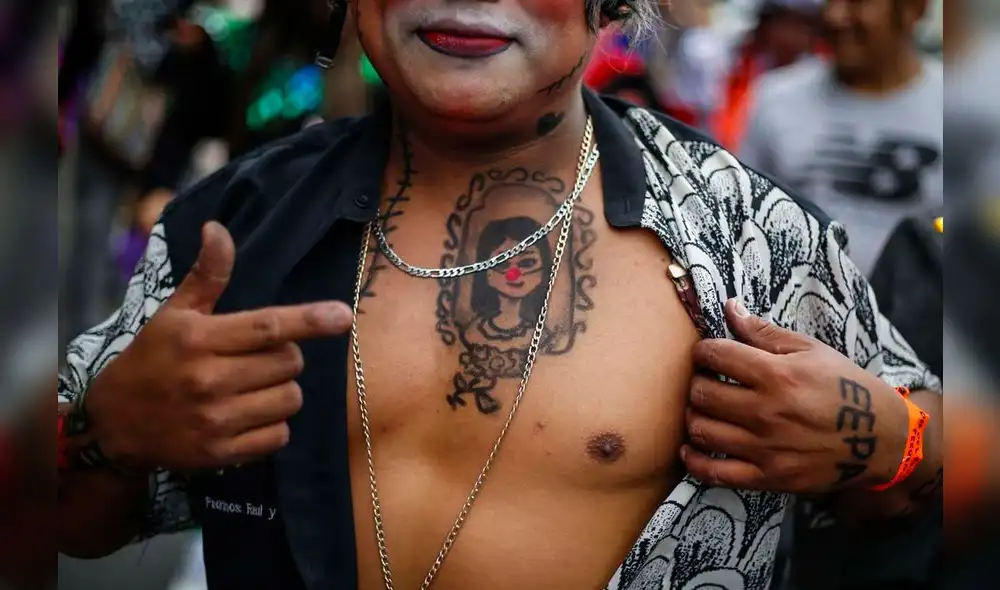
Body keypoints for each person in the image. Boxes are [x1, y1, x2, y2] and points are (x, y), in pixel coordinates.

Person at [57, 2, 943, 589]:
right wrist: (105, 433)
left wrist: (890, 441)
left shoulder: (746, 238)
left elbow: (940, 475)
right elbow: (62, 519)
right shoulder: (232, 231)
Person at [740, 0, 942, 278]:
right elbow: (742, 222)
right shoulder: (775, 99)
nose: (835, 16)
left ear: (913, 9)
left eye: (856, 2)